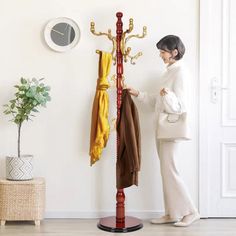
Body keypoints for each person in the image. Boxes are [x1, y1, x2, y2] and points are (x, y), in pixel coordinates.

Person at [126, 35, 200, 227]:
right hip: (162, 129)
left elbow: (179, 106)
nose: (160, 55)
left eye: (163, 51)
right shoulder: (168, 72)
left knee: (171, 171)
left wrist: (167, 95)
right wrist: (138, 94)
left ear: (174, 52)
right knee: (166, 172)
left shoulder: (180, 72)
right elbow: (156, 101)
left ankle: (191, 211)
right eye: (160, 51)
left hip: (170, 130)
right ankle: (171, 213)